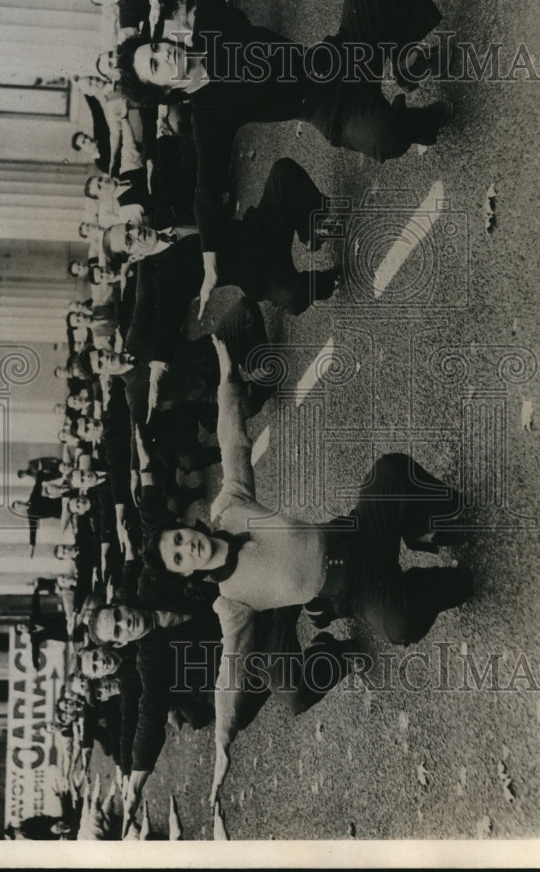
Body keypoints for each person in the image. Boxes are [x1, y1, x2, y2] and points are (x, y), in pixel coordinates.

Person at [145, 334, 474, 805]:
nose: (187, 548)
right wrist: (222, 737)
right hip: (356, 590)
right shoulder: (231, 603)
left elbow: (231, 440)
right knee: (408, 619)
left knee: (391, 470)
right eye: (178, 558)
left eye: (178, 538)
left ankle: (429, 531)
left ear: (184, 527)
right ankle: (427, 582)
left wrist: (226, 380)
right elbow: (229, 672)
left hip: (357, 533)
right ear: (183, 575)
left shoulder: (229, 506)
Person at [117, 0, 452, 312]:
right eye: (156, 67)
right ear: (162, 90)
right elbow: (205, 192)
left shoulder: (210, 27)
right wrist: (210, 262)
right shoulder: (209, 117)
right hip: (335, 112)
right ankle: (418, 123)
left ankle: (403, 58)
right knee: (384, 136)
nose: (166, 56)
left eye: (157, 48)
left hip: (342, 55)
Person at [103, 157, 343, 323]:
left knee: (283, 171)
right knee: (293, 298)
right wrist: (160, 361)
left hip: (259, 229)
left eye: (129, 228)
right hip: (261, 273)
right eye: (129, 240)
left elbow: (179, 177)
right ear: (134, 256)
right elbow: (160, 317)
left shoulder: (162, 212)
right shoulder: (163, 275)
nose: (135, 233)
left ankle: (312, 229)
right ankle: (331, 279)